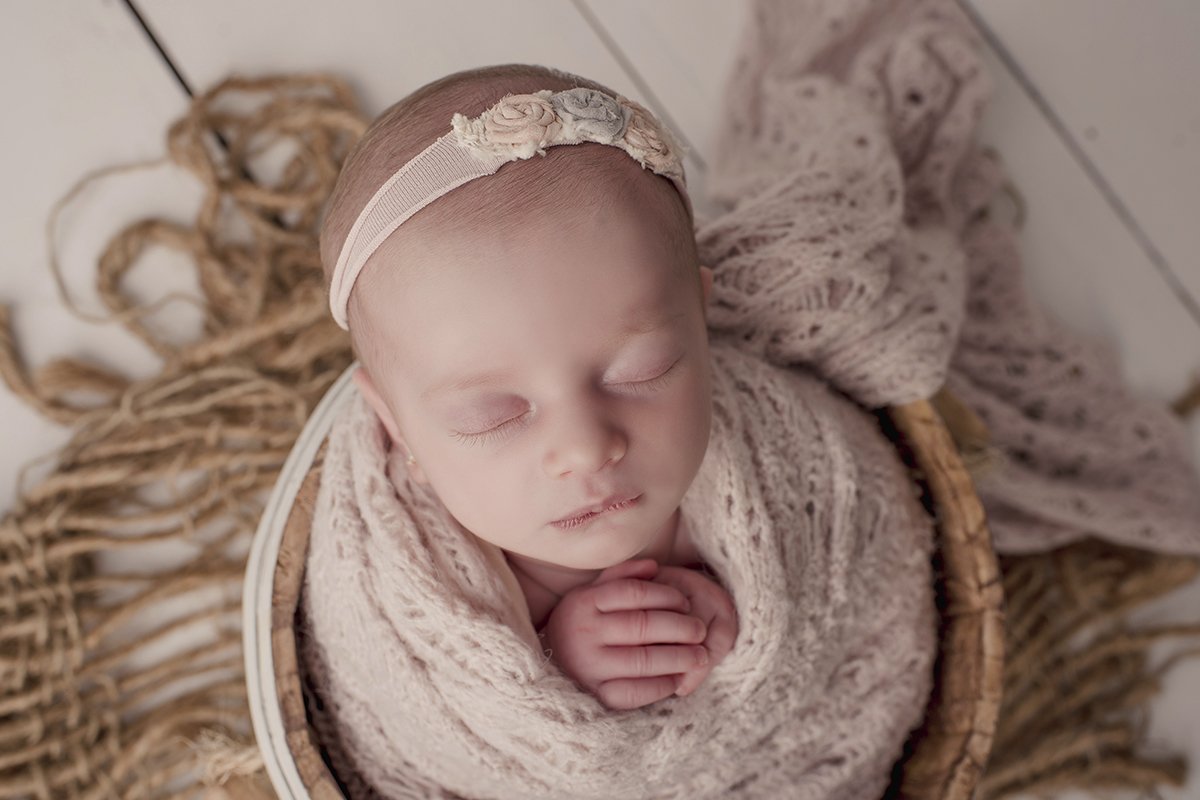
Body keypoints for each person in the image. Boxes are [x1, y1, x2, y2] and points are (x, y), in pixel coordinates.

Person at [320, 63, 738, 711]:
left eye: (643, 370)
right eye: (492, 416)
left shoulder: (753, 464)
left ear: (702, 324)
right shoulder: (432, 593)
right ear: (398, 427)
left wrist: (741, 616)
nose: (585, 449)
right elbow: (438, 723)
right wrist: (558, 668)